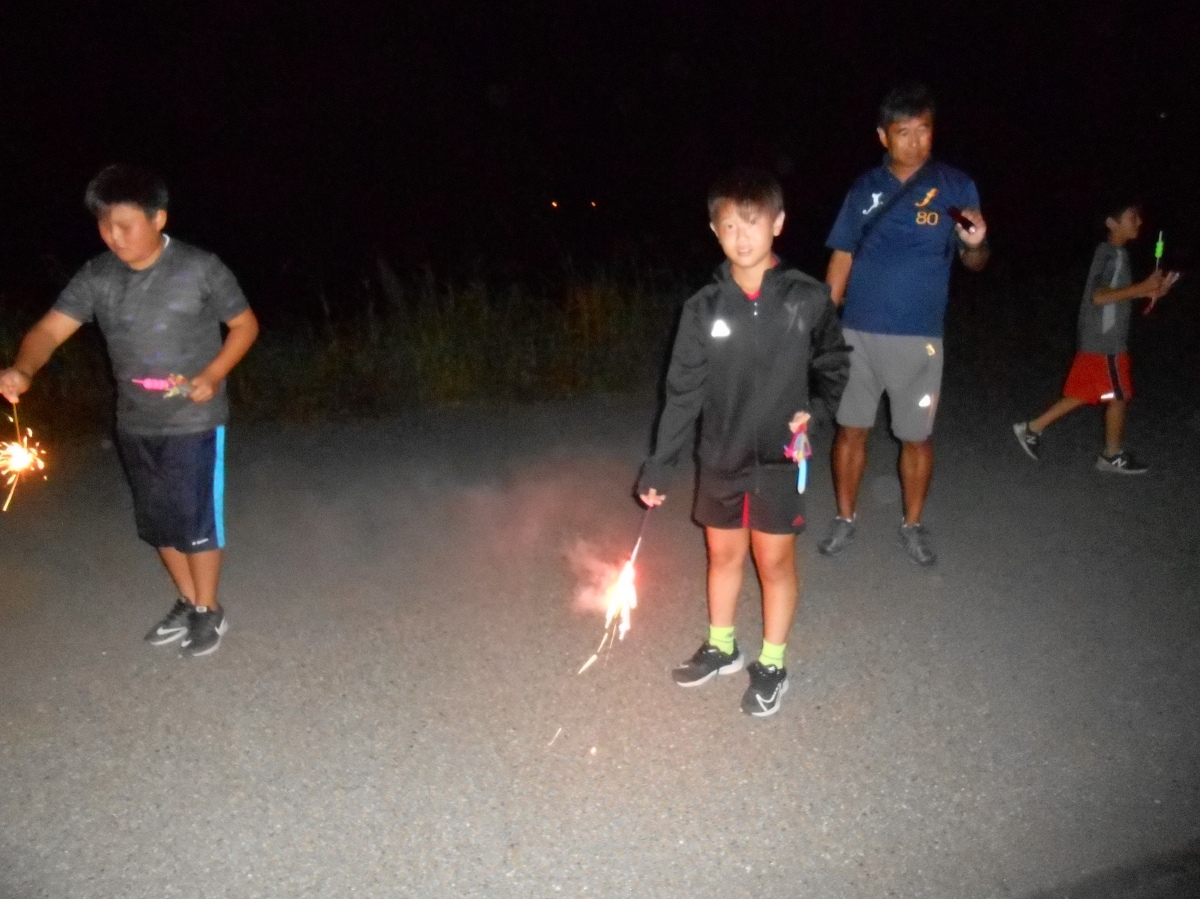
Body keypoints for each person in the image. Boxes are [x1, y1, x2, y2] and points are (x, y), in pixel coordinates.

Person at [0, 165, 259, 657]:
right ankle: (188, 599)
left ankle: (209, 609)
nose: (114, 238)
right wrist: (23, 369)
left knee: (197, 521)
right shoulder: (98, 276)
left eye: (125, 226)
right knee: (159, 522)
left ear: (158, 218)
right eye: (104, 226)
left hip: (194, 421)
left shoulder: (200, 268)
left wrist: (212, 374)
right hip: (135, 421)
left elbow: (245, 325)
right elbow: (49, 330)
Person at [637, 168, 849, 717]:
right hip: (722, 455)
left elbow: (834, 365)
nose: (741, 235)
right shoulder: (703, 308)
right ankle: (722, 647)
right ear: (714, 230)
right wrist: (660, 465)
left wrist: (817, 411)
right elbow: (682, 393)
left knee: (773, 560)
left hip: (781, 458)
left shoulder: (808, 297)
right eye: (729, 225)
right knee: (722, 553)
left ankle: (772, 663)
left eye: (752, 222)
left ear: (778, 223)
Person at [819, 83, 989, 567]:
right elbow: (842, 256)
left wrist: (976, 242)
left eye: (924, 130)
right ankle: (845, 517)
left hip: (920, 338)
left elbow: (975, 262)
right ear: (883, 136)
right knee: (850, 430)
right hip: (857, 333)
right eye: (903, 132)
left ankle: (912, 525)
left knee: (916, 436)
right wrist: (822, 325)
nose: (915, 141)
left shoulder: (956, 187)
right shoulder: (864, 189)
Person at [1012, 199, 1179, 473]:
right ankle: (1111, 455)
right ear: (1112, 223)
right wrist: (1141, 287)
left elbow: (1112, 296)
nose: (1139, 221)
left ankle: (1032, 429)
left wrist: (1148, 292)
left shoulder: (1117, 254)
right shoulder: (1110, 253)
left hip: (1100, 337)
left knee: (1089, 392)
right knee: (1118, 394)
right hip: (1105, 340)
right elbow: (1098, 296)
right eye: (1132, 216)